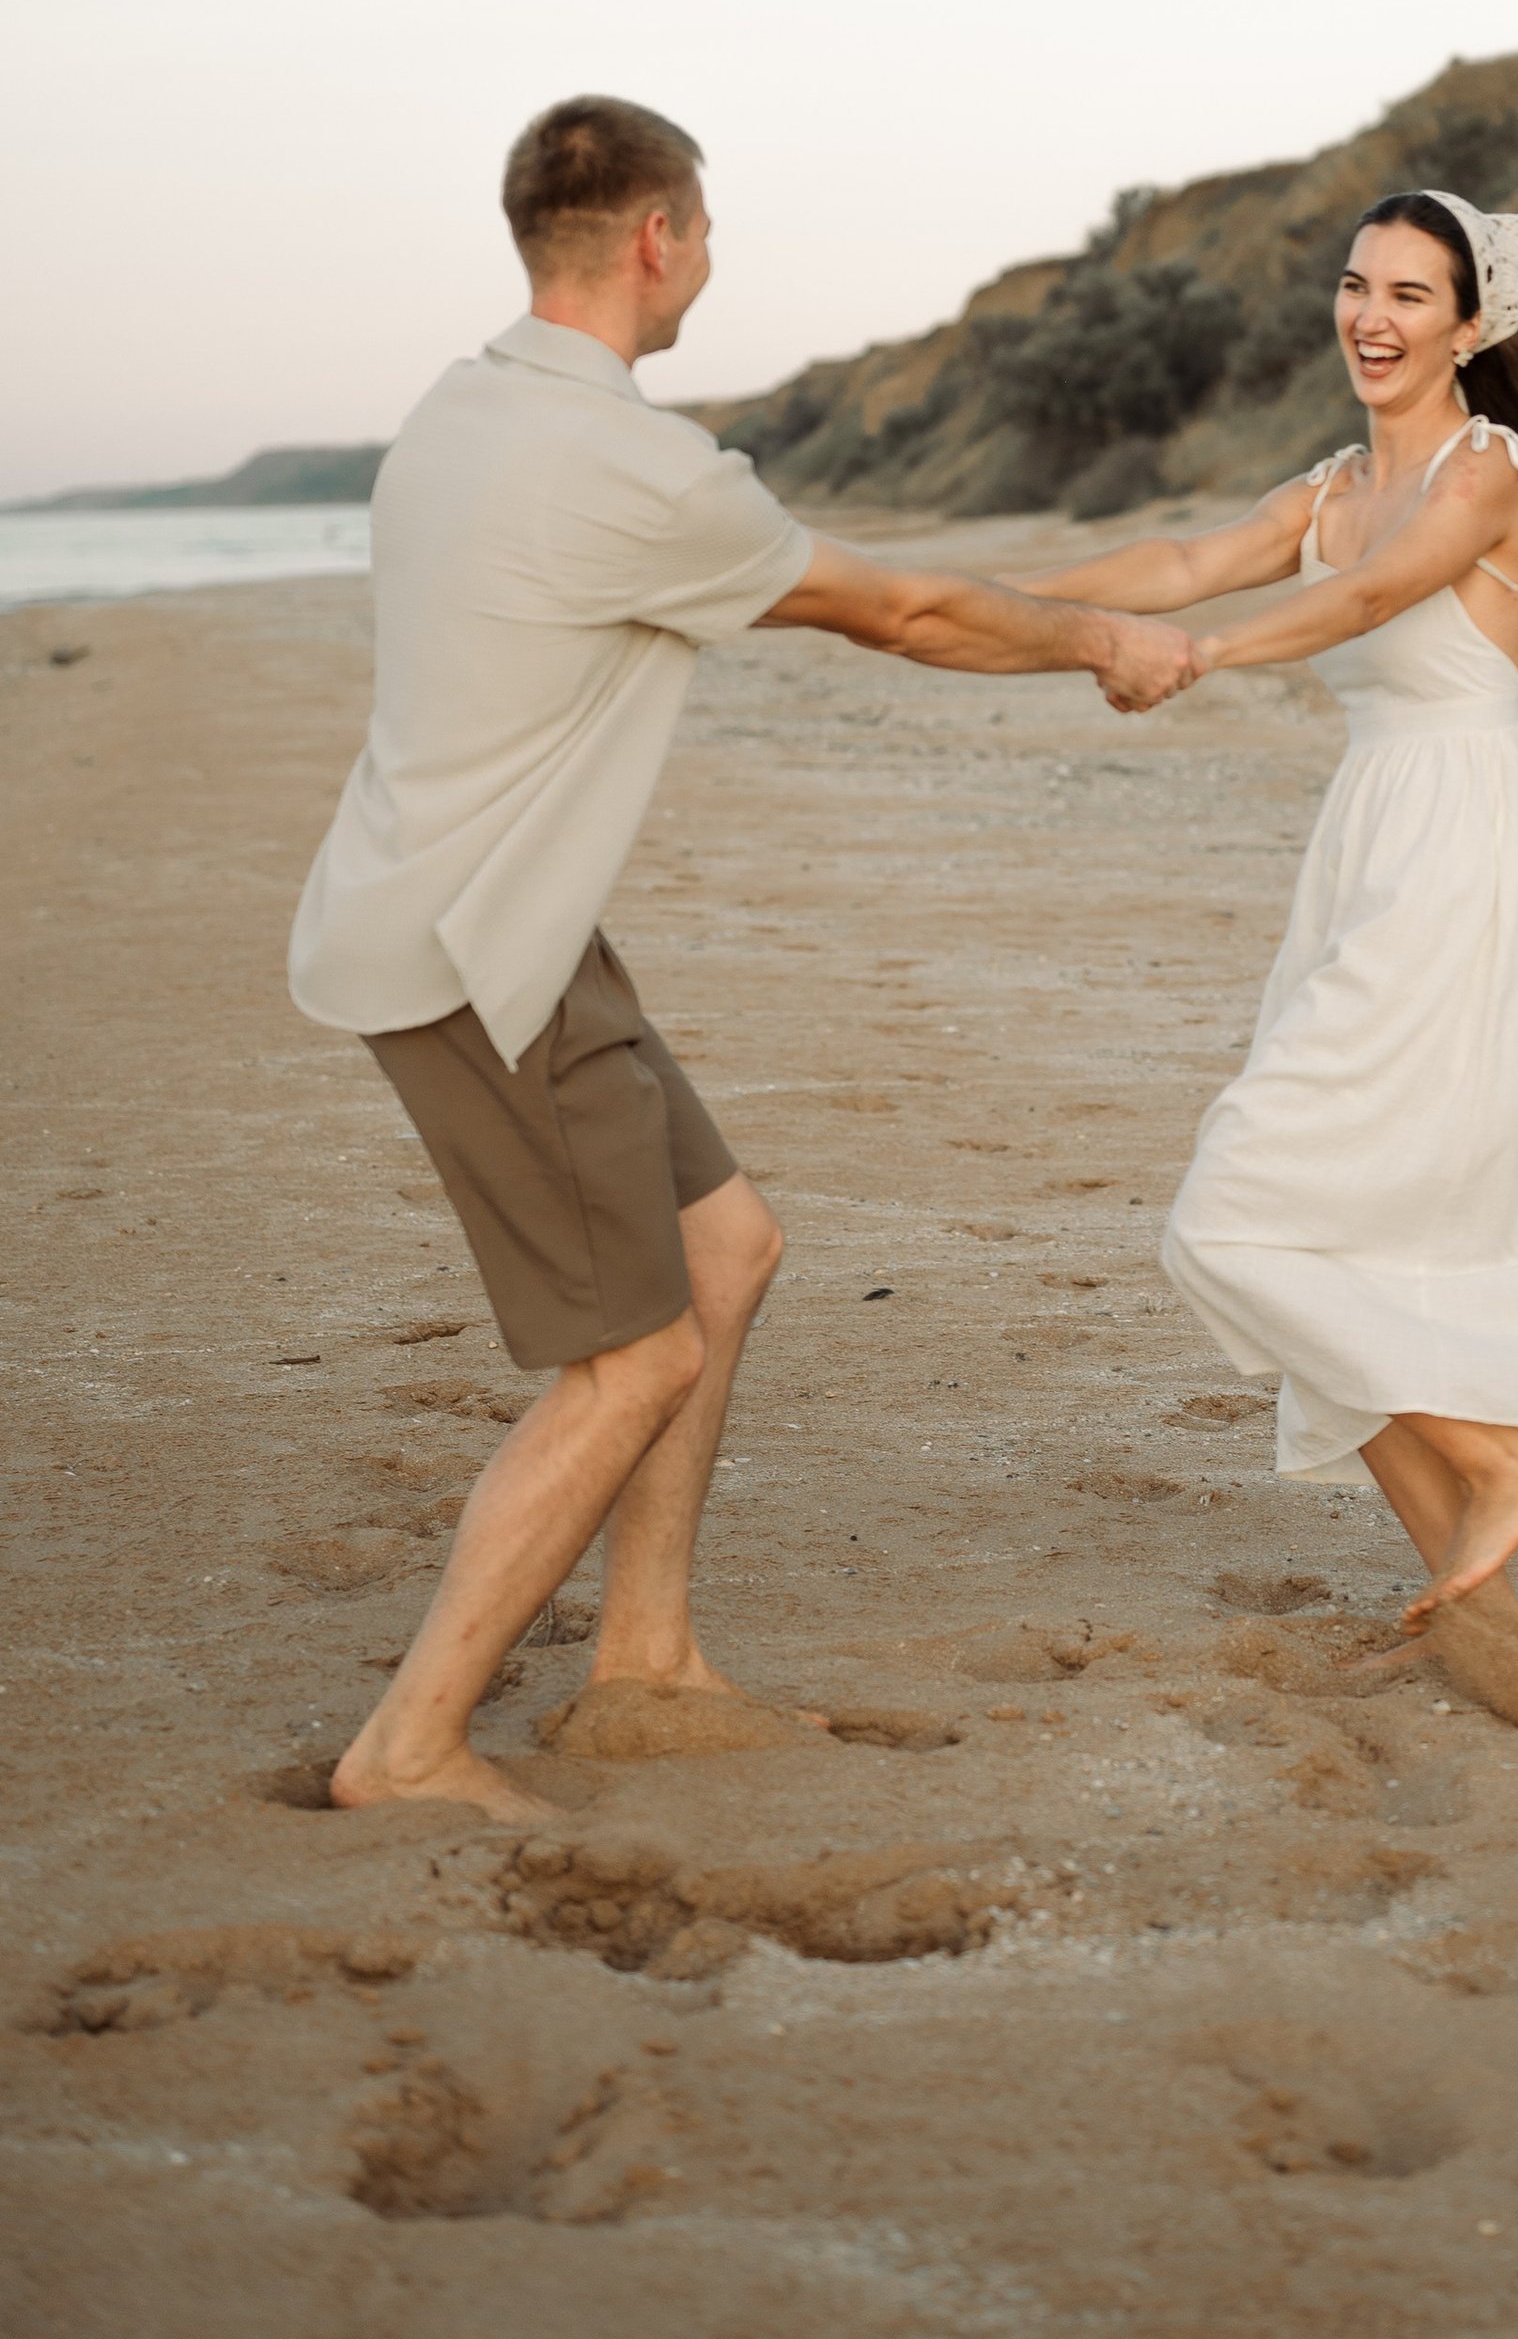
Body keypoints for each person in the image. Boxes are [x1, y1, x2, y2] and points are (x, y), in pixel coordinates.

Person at [290, 95, 1196, 1819]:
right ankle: (407, 1748)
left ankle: (644, 1661)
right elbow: (898, 613)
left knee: (727, 1249)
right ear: (659, 238)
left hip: (504, 919)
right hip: (481, 956)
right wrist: (1100, 641)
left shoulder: (460, 410)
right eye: (704, 229)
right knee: (633, 1359)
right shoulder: (625, 466)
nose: (709, 256)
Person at [1027, 188, 1518, 1641]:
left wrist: (1200, 656)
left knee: (1231, 1221)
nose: (1372, 316)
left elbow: (1364, 606)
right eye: (1357, 286)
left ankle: (1502, 1464)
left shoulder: (1487, 473)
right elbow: (1177, 563)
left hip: (1470, 861)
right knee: (1336, 1227)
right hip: (1373, 854)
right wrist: (991, 603)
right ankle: (1479, 1606)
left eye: (1410, 294)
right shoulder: (1332, 489)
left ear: (1471, 327)